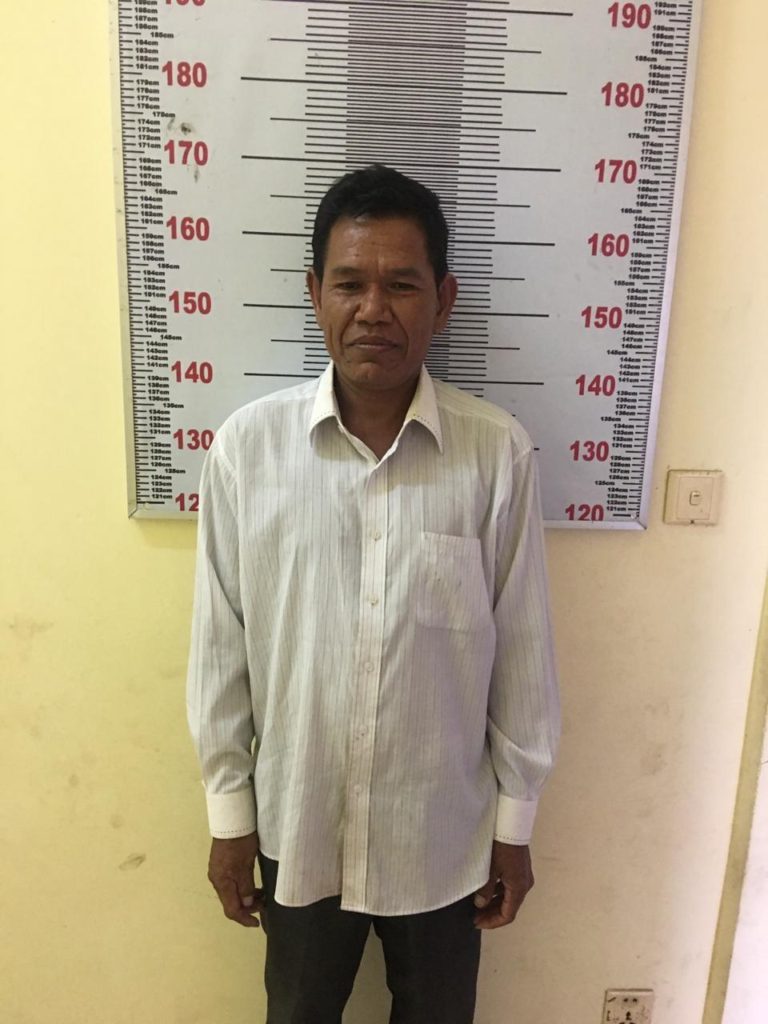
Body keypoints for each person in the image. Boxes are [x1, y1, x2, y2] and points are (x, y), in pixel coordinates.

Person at [186, 164, 560, 1024]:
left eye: (403, 285)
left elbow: (523, 651)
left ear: (444, 299)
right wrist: (229, 814)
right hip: (298, 826)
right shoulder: (248, 450)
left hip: (443, 840)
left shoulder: (496, 454)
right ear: (315, 292)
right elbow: (219, 649)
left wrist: (515, 826)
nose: (374, 309)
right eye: (350, 283)